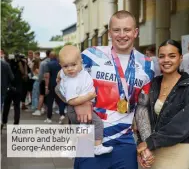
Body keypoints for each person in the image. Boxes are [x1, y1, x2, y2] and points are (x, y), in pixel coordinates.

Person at [56, 10, 155, 169]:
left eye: (127, 30)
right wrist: (77, 103)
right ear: (109, 32)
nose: (122, 35)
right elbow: (59, 88)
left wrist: (146, 143)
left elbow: (142, 108)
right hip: (89, 139)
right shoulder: (91, 56)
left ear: (135, 32)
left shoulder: (147, 65)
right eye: (116, 30)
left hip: (125, 142)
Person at [136, 39, 189, 169]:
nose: (166, 60)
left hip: (178, 150)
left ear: (181, 58)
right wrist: (143, 146)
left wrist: (149, 143)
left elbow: (184, 125)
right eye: (162, 56)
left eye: (172, 56)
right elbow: (142, 115)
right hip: (152, 150)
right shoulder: (153, 84)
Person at [58, 45, 113, 155]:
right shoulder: (71, 81)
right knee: (97, 124)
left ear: (81, 62)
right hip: (75, 108)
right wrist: (88, 98)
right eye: (65, 66)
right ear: (61, 66)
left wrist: (59, 74)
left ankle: (70, 150)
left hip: (77, 108)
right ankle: (97, 146)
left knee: (77, 129)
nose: (70, 69)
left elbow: (61, 73)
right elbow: (71, 101)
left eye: (73, 64)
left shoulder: (76, 71)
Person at [1, 54, 25, 129]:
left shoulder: (7, 65)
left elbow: (10, 77)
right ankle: (16, 123)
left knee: (6, 107)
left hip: (9, 88)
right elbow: (24, 73)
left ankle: (4, 122)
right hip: (18, 88)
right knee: (17, 106)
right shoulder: (22, 64)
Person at [32, 50, 51, 116]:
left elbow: (40, 75)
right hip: (53, 81)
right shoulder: (56, 62)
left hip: (43, 81)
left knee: (41, 96)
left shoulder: (43, 63)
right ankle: (48, 110)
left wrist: (39, 80)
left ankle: (39, 110)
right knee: (51, 97)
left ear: (46, 54)